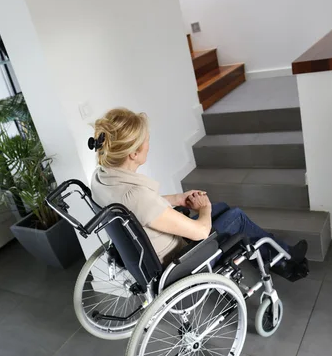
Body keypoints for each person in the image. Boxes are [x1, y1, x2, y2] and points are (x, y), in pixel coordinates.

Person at [90, 108, 307, 266]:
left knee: (222, 207)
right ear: (134, 153)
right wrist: (204, 209)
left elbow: (140, 210)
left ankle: (278, 256)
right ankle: (288, 260)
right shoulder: (137, 195)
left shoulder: (101, 178)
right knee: (236, 217)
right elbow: (202, 232)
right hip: (180, 260)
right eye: (147, 139)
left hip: (150, 247)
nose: (149, 143)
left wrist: (176, 199)